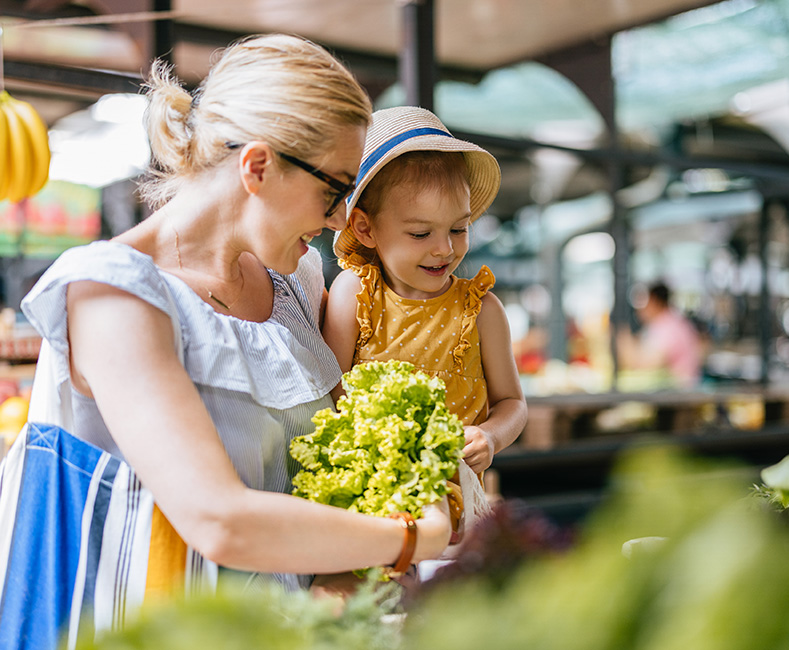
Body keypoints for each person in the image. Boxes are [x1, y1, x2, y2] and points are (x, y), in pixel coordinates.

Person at [16, 35, 451, 596]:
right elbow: (219, 520)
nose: (344, 219)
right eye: (336, 189)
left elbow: (326, 473)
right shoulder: (112, 294)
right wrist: (415, 537)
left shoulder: (295, 283)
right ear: (259, 167)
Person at [323, 106, 527, 485]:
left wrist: (492, 435)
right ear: (365, 229)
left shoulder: (482, 311)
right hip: (374, 493)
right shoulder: (353, 295)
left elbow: (513, 403)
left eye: (459, 228)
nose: (444, 249)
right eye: (420, 234)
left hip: (460, 497)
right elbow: (329, 398)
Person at [617, 281, 704, 388]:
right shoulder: (671, 321)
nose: (639, 310)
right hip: (678, 390)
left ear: (655, 302)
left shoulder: (667, 326)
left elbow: (645, 363)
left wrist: (622, 339)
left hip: (679, 395)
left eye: (643, 303)